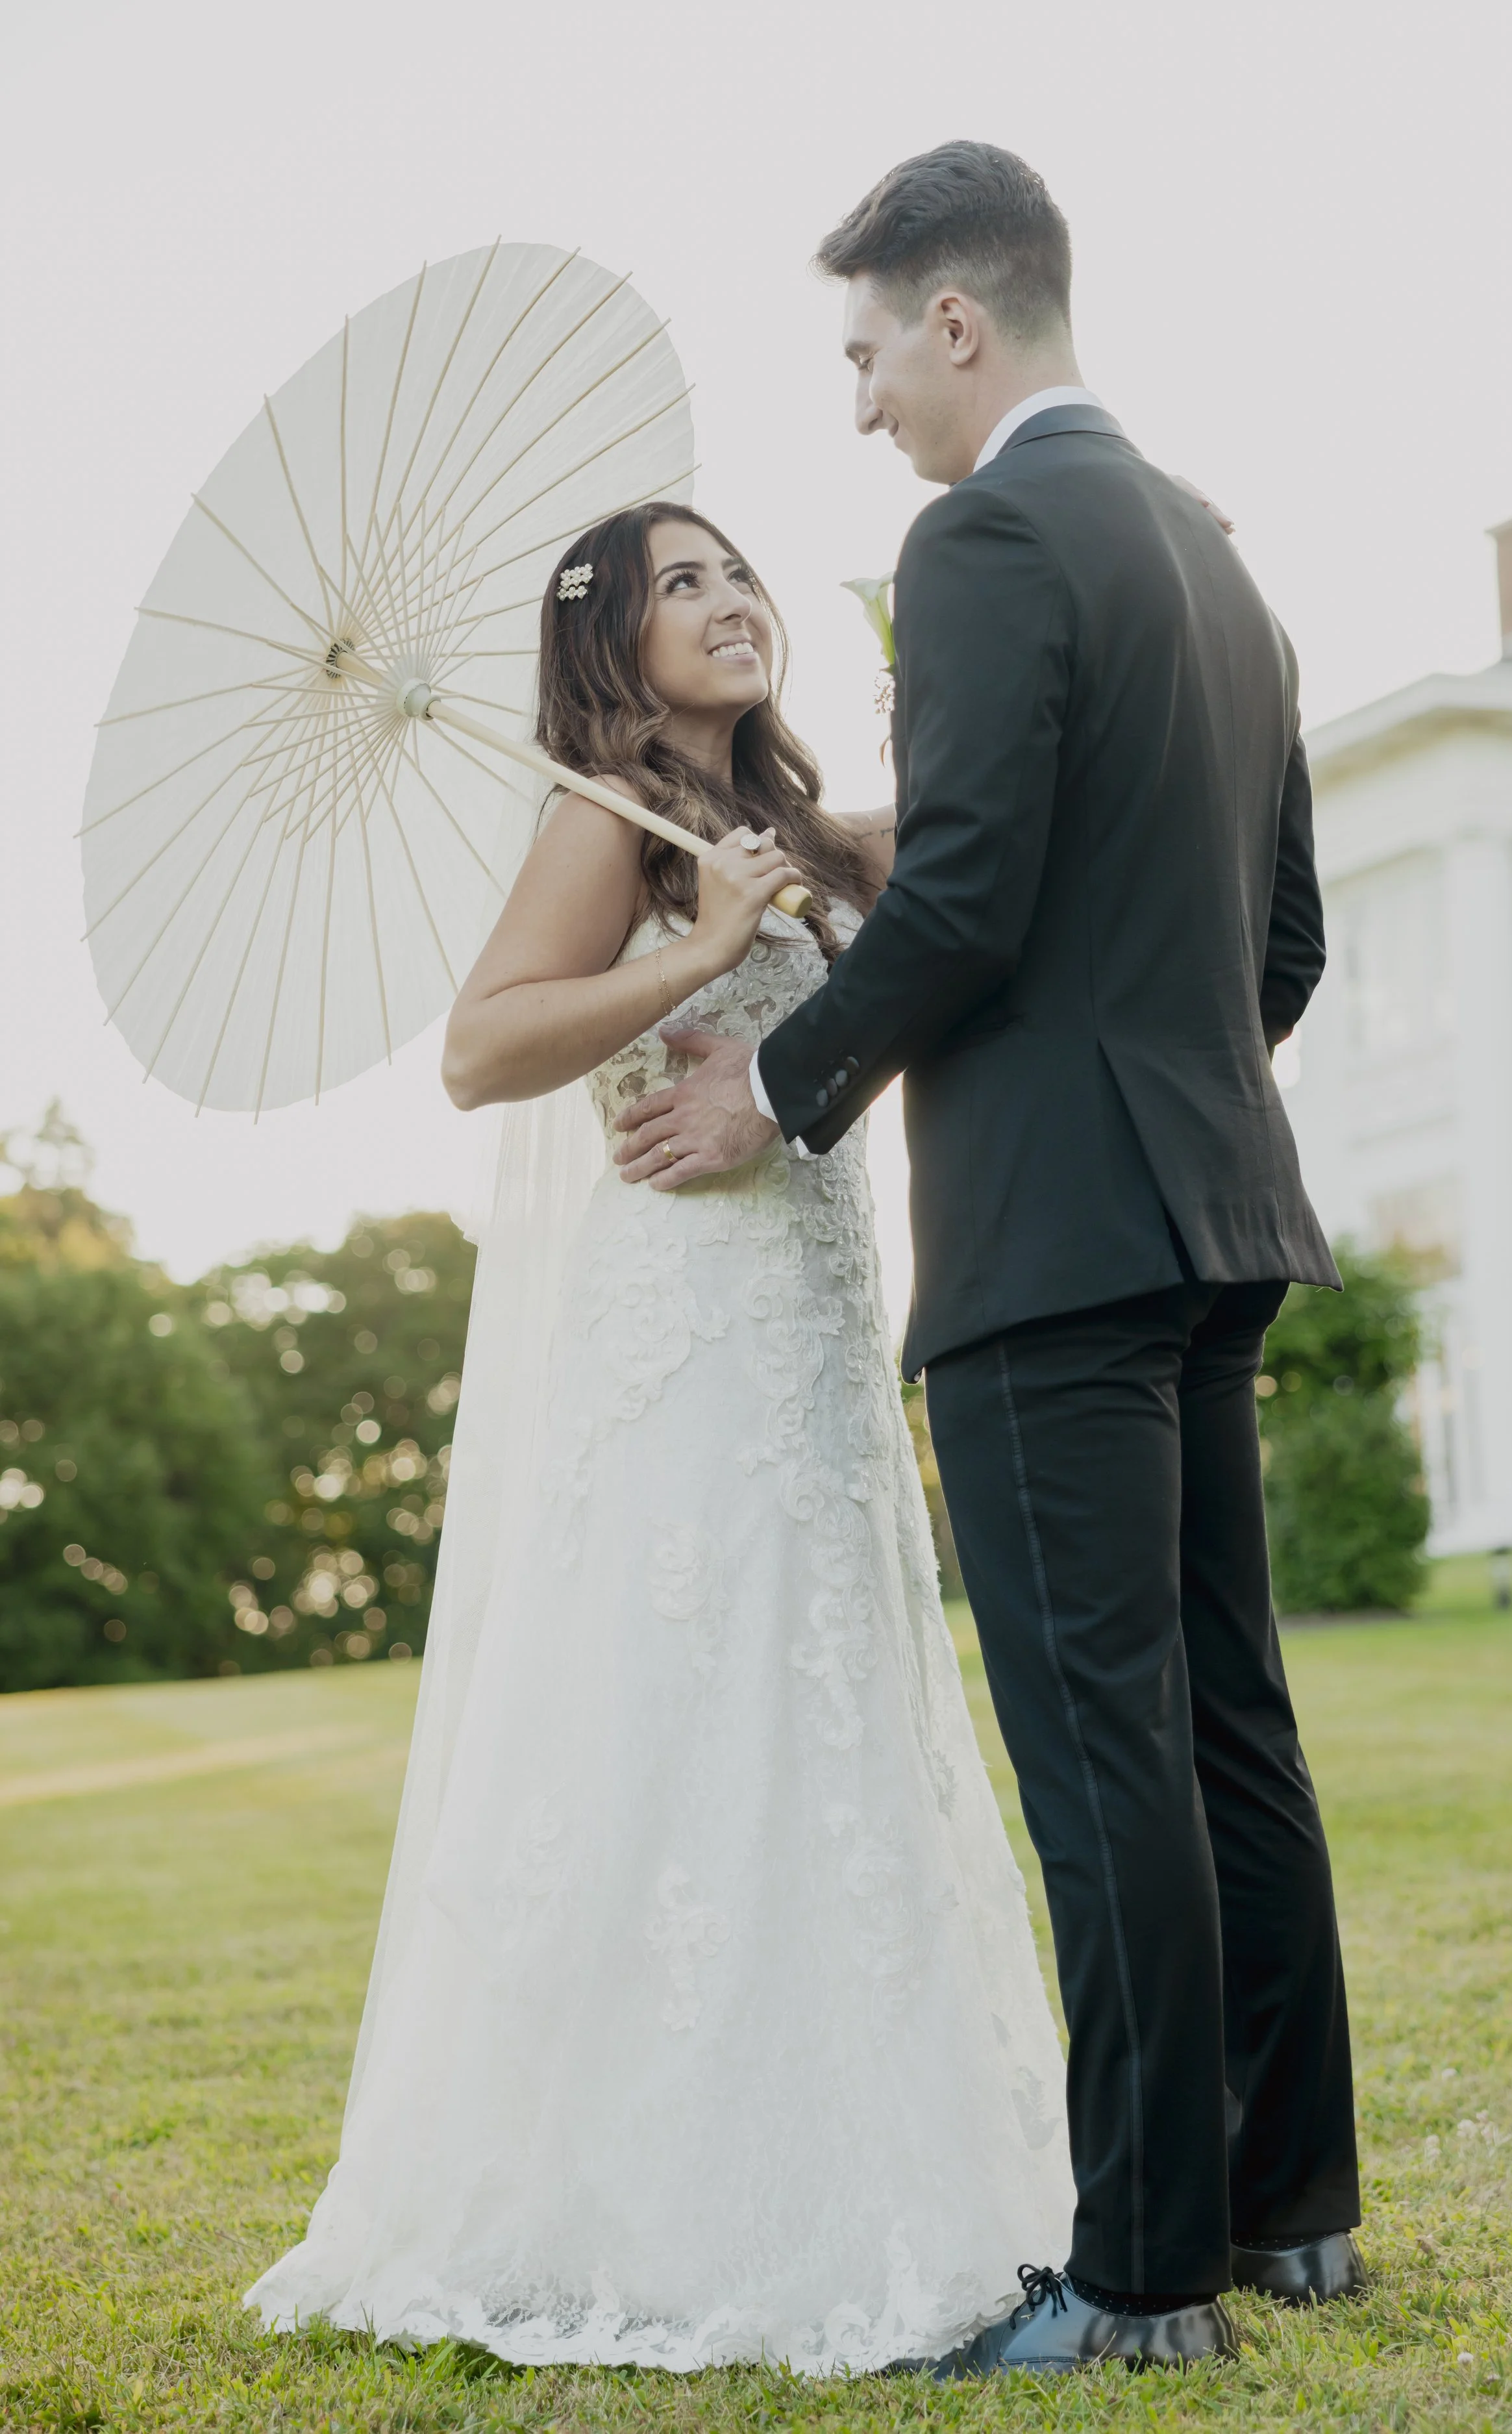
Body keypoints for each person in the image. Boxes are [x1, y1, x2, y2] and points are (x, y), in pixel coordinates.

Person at [613, 143, 1365, 2372]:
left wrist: (779, 1084)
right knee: (1227, 1721)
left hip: (1050, 1248)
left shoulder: (980, 536)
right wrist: (904, 869)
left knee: (1102, 1751)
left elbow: (965, 915)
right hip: (1217, 1206)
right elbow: (1264, 936)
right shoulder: (1217, 563)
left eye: (862, 353)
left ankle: (1140, 2274)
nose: (857, 408)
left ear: (959, 322)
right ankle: (1290, 2204)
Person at [244, 501, 1074, 2371]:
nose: (726, 601)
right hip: (679, 1338)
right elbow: (482, 1045)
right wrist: (697, 949)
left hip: (815, 1352)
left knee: (827, 1718)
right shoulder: (603, 819)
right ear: (612, 649)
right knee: (680, 1711)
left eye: (733, 572)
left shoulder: (792, 825)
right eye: (675, 585)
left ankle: (872, 2155)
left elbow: (959, 882)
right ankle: (624, 2190)